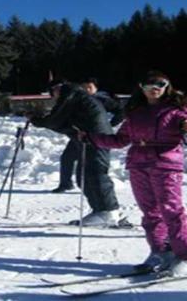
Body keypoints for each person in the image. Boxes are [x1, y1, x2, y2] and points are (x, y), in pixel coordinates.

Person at [81, 70, 187, 276]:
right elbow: (120, 140)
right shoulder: (136, 112)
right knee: (150, 212)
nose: (154, 88)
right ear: (141, 87)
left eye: (160, 84)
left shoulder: (177, 110)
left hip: (165, 164)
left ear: (167, 87)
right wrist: (92, 138)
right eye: (149, 84)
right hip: (139, 164)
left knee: (171, 210)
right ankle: (161, 251)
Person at [28, 81, 122, 226]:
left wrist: (37, 120)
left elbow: (55, 120)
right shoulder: (76, 96)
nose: (53, 98)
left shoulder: (70, 95)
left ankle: (108, 211)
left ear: (56, 89)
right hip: (88, 137)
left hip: (95, 138)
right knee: (83, 176)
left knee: (96, 173)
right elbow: (61, 123)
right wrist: (41, 120)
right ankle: (102, 211)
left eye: (52, 94)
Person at [53, 78, 123, 193]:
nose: (87, 89)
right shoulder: (76, 98)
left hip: (96, 136)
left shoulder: (101, 99)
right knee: (67, 157)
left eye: (89, 87)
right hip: (78, 134)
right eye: (84, 87)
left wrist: (110, 124)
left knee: (86, 161)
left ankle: (87, 186)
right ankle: (65, 184)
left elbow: (120, 111)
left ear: (96, 88)